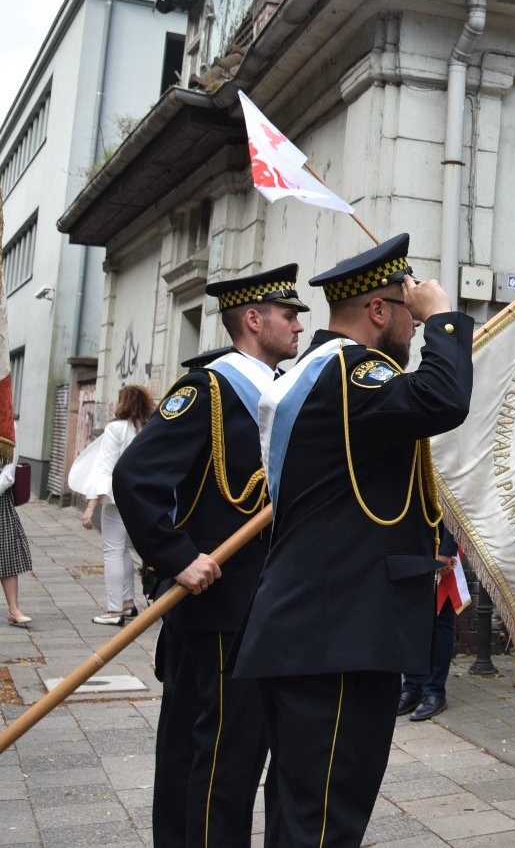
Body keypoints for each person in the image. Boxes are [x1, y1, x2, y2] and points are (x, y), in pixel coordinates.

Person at [234, 235, 473, 847]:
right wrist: (444, 313)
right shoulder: (348, 369)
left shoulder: (321, 375)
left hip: (326, 627)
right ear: (378, 310)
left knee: (305, 809)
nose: (413, 325)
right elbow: (442, 398)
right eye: (406, 311)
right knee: (324, 818)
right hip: (336, 633)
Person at [113, 264, 308, 848]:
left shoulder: (274, 392)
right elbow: (136, 476)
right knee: (211, 766)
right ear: (253, 320)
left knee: (232, 762)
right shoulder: (208, 391)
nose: (299, 326)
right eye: (288, 314)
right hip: (215, 612)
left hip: (253, 614)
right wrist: (176, 556)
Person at [77, 384, 153, 625]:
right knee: (123, 551)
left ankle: (113, 610)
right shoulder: (144, 429)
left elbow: (105, 467)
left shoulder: (115, 429)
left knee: (112, 551)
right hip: (137, 498)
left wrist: (91, 506)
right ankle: (128, 603)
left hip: (115, 498)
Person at [398, 524, 460, 721]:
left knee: (440, 620)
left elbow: (455, 500)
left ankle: (434, 691)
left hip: (438, 542)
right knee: (410, 619)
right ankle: (412, 687)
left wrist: (446, 549)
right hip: (408, 544)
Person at [1, 455, 31, 627]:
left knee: (6, 552)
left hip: (0, 497)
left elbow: (9, 472)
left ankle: (14, 609)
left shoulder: (8, 428)